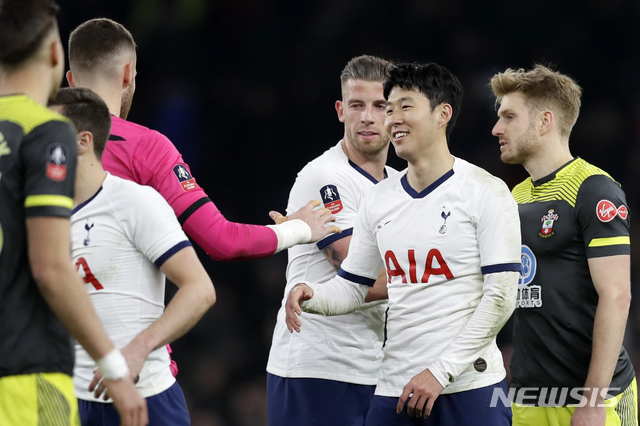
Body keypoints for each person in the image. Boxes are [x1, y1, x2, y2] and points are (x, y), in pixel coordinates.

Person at [285, 62, 522, 426]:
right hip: (396, 388)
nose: (392, 119)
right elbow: (352, 288)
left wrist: (440, 372)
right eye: (390, 108)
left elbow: (502, 296)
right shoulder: (379, 200)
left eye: (405, 107)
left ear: (443, 114)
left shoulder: (485, 191)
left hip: (467, 385)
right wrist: (311, 295)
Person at [65, 18, 338, 264]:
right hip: (114, 314)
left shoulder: (34, 139)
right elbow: (223, 240)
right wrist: (298, 228)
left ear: (70, 80)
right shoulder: (147, 148)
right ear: (128, 74)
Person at [0, 1, 147, 425]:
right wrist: (115, 368)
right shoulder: (48, 132)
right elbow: (50, 266)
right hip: (25, 374)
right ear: (53, 54)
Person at [49, 87, 217, 425]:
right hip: (69, 403)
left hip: (146, 397)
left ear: (83, 142)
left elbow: (200, 290)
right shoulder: (44, 216)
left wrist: (139, 349)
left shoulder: (135, 202)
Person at [490, 65, 637, 426]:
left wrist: (593, 402)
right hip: (528, 396)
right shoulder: (517, 196)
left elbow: (617, 296)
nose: (496, 128)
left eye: (509, 117)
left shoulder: (594, 189)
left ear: (544, 122)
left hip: (593, 397)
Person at [266, 55, 396, 426]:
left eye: (379, 105)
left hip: (371, 366)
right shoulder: (325, 177)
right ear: (341, 110)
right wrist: (440, 275)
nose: (367, 117)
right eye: (357, 105)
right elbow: (359, 276)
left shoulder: (400, 183)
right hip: (316, 366)